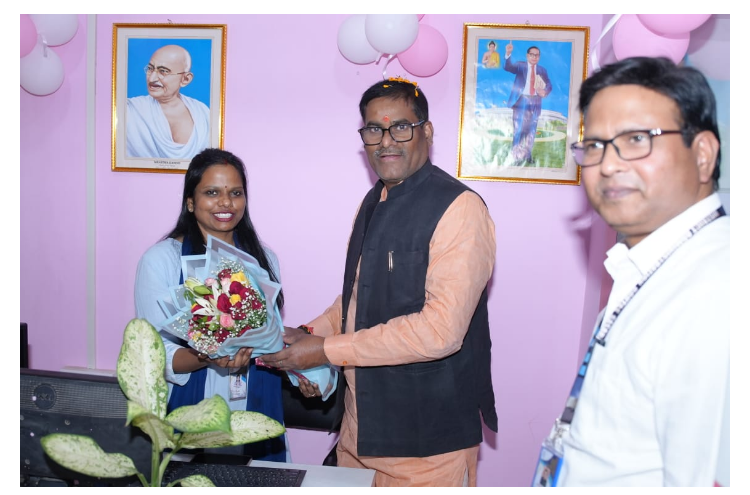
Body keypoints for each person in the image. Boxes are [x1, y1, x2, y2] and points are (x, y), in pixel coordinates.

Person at [260, 78, 498, 486]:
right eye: (374, 129)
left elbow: (440, 332)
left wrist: (325, 351)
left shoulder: (459, 209)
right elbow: (358, 296)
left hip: (426, 445)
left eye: (400, 127)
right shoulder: (374, 201)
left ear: (426, 131)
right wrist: (306, 334)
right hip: (358, 433)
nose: (386, 141)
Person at [557, 57, 728, 486]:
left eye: (636, 139)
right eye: (594, 145)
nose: (608, 165)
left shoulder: (717, 290)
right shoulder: (648, 267)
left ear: (703, 154)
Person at [134, 148, 289, 462]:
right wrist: (205, 356)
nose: (226, 203)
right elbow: (152, 355)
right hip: (191, 406)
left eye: (235, 193)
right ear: (191, 202)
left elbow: (270, 333)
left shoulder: (264, 259)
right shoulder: (161, 260)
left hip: (256, 401)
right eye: (212, 192)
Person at [126, 44, 210, 159]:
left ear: (185, 79)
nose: (152, 78)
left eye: (163, 71)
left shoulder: (202, 112)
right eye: (150, 69)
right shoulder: (130, 109)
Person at [503, 42, 552, 165]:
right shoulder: (520, 66)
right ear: (527, 55)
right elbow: (508, 67)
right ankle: (516, 157)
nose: (534, 57)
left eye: (537, 55)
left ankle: (527, 155)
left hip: (536, 102)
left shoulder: (542, 70)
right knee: (519, 129)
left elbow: (549, 84)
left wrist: (545, 91)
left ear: (539, 57)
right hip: (521, 101)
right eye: (532, 54)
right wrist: (508, 54)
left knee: (531, 131)